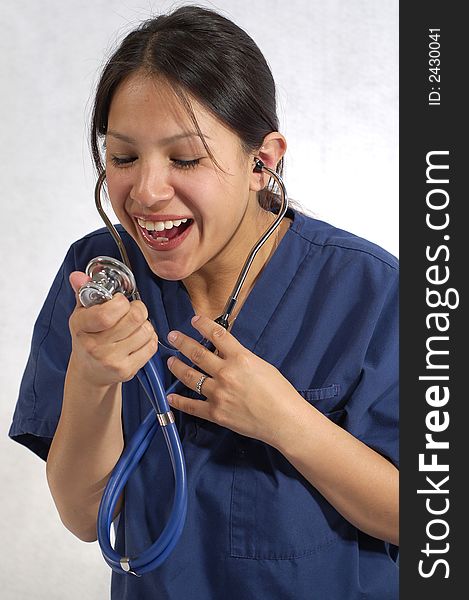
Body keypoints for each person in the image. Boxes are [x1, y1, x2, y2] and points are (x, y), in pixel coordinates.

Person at [9, 5, 399, 599]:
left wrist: (288, 423)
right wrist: (92, 378)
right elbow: (83, 516)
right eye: (122, 157)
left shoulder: (369, 293)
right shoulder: (98, 280)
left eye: (185, 158)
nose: (147, 191)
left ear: (261, 162)